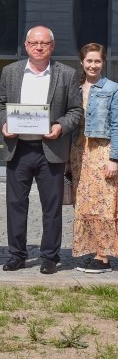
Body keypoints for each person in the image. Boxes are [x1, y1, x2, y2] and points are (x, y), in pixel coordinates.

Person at [0, 26, 82, 274]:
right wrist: (4, 124)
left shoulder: (66, 74)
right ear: (26, 45)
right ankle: (17, 254)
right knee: (15, 204)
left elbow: (76, 111)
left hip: (51, 149)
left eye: (44, 43)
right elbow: (1, 105)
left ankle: (50, 257)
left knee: (52, 207)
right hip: (19, 148)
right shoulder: (10, 72)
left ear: (52, 46)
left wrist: (59, 127)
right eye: (34, 43)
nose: (39, 47)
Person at [71, 43, 118, 274]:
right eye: (89, 61)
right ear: (82, 62)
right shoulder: (76, 89)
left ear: (103, 62)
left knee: (104, 204)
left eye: (97, 61)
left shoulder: (112, 88)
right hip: (79, 152)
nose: (93, 65)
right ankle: (96, 252)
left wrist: (115, 159)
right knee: (86, 204)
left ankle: (104, 256)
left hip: (101, 151)